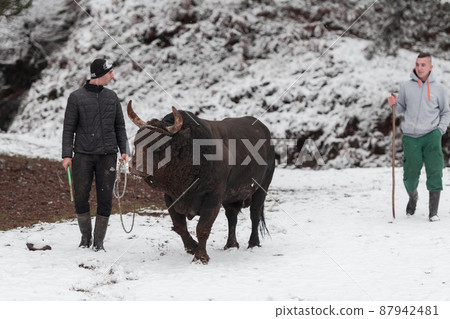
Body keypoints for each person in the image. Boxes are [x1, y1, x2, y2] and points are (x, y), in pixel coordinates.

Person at [62, 58, 129, 250]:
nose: (113, 76)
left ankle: (98, 243)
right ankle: (85, 239)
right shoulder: (76, 98)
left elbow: (120, 126)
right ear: (99, 74)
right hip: (82, 155)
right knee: (81, 196)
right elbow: (68, 128)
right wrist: (67, 155)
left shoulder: (112, 97)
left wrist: (124, 150)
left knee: (105, 198)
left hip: (108, 155)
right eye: (110, 72)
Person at [387, 52, 450, 222]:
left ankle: (433, 212)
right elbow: (399, 108)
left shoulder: (439, 89)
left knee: (435, 171)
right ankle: (413, 197)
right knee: (410, 175)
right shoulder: (407, 87)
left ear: (431, 67)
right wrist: (393, 103)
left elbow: (445, 112)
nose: (420, 68)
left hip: (431, 135)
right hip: (411, 137)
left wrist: (439, 131)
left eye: (424, 65)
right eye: (418, 64)